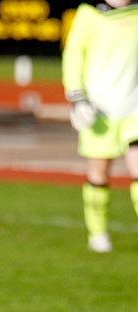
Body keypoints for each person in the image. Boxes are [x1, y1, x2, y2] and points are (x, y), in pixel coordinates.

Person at [62, 0, 138, 253]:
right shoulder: (89, 13)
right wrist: (77, 97)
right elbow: (74, 54)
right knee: (99, 173)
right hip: (99, 111)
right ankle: (98, 233)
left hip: (134, 109)